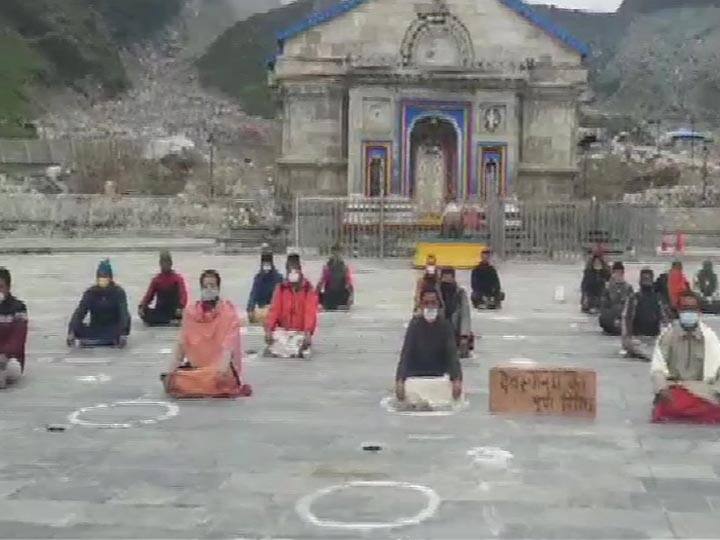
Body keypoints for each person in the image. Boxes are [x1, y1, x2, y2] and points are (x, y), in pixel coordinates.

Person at [162, 270, 252, 399]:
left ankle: (204, 384)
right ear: (201, 289)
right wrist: (171, 371)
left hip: (219, 370)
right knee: (174, 380)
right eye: (205, 286)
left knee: (220, 379)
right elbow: (181, 344)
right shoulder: (191, 313)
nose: (209, 289)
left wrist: (221, 371)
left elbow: (228, 348)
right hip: (197, 369)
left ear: (218, 288)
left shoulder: (228, 313)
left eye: (212, 286)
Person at [651, 291, 720, 424]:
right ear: (678, 311)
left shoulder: (710, 338)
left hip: (703, 391)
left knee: (711, 406)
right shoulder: (667, 336)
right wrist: (662, 389)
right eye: (685, 309)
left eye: (692, 309)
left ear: (699, 311)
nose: (689, 313)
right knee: (667, 406)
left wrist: (717, 391)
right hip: (676, 389)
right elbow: (657, 368)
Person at [395, 289, 463, 408]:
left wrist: (457, 379)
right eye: (426, 303)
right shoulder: (414, 325)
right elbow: (406, 353)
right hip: (415, 379)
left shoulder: (446, 326)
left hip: (439, 378)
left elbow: (452, 355)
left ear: (438, 305)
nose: (430, 306)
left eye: (433, 303)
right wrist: (399, 380)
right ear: (421, 305)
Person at [67, 259, 130, 348]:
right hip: (96, 327)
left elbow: (123, 313)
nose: (103, 281)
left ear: (110, 278)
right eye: (101, 278)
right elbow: (80, 312)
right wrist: (71, 330)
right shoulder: (91, 292)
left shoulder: (118, 292)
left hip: (112, 327)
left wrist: (123, 332)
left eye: (105, 278)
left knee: (123, 323)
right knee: (79, 328)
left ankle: (104, 340)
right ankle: (101, 341)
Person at [265, 254, 319, 358]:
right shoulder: (281, 288)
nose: (292, 272)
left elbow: (310, 313)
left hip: (300, 333)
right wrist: (268, 329)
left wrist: (308, 332)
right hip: (284, 332)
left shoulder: (308, 289)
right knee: (271, 350)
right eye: (289, 270)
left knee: (302, 352)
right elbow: (274, 310)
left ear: (299, 269)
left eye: (294, 269)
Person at [622, 268, 668, 361]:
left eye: (648, 278)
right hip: (637, 338)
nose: (646, 281)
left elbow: (665, 320)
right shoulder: (634, 298)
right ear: (640, 280)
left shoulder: (658, 298)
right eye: (644, 278)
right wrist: (627, 339)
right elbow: (626, 318)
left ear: (652, 280)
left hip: (654, 338)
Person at [138, 250, 187, 327]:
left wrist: (180, 307)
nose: (165, 265)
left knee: (179, 315)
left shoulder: (177, 279)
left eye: (167, 262)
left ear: (171, 264)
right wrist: (142, 307)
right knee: (144, 312)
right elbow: (148, 296)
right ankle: (167, 321)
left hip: (174, 310)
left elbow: (183, 295)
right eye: (163, 263)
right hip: (160, 310)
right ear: (160, 264)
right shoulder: (156, 280)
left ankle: (170, 321)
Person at [0, 268, 28, 388]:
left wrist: (5, 354)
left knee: (12, 368)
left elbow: (18, 338)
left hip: (10, 359)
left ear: (8, 287)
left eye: (0, 286)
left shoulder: (18, 308)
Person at [439, 267, 474, 358]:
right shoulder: (435, 293)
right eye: (444, 277)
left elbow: (465, 315)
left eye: (449, 277)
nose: (447, 280)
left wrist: (464, 335)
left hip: (455, 329)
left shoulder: (460, 293)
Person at [246, 250, 283, 324]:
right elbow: (253, 295)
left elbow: (281, 297)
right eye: (264, 263)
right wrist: (250, 309)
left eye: (268, 263)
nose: (266, 265)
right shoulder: (258, 278)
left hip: (275, 309)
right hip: (262, 310)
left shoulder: (278, 278)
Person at [599, 261, 633, 336]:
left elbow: (631, 307)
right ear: (612, 273)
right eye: (616, 272)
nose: (618, 274)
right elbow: (603, 308)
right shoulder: (607, 288)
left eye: (620, 272)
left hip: (623, 324)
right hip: (609, 323)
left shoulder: (628, 287)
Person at [317, 244, 354, 311]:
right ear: (332, 253)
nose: (336, 255)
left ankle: (340, 304)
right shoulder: (327, 267)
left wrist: (351, 297)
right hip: (330, 294)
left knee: (346, 293)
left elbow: (349, 283)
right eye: (335, 253)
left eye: (339, 253)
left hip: (341, 294)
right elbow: (321, 282)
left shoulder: (344, 267)